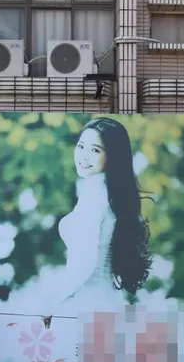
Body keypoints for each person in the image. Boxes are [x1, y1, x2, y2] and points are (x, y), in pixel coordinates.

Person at [56, 117, 150, 313]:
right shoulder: (108, 193)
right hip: (104, 304)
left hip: (87, 306)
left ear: (112, 157)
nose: (84, 156)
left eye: (95, 150)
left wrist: (51, 303)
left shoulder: (95, 195)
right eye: (81, 146)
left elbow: (85, 261)